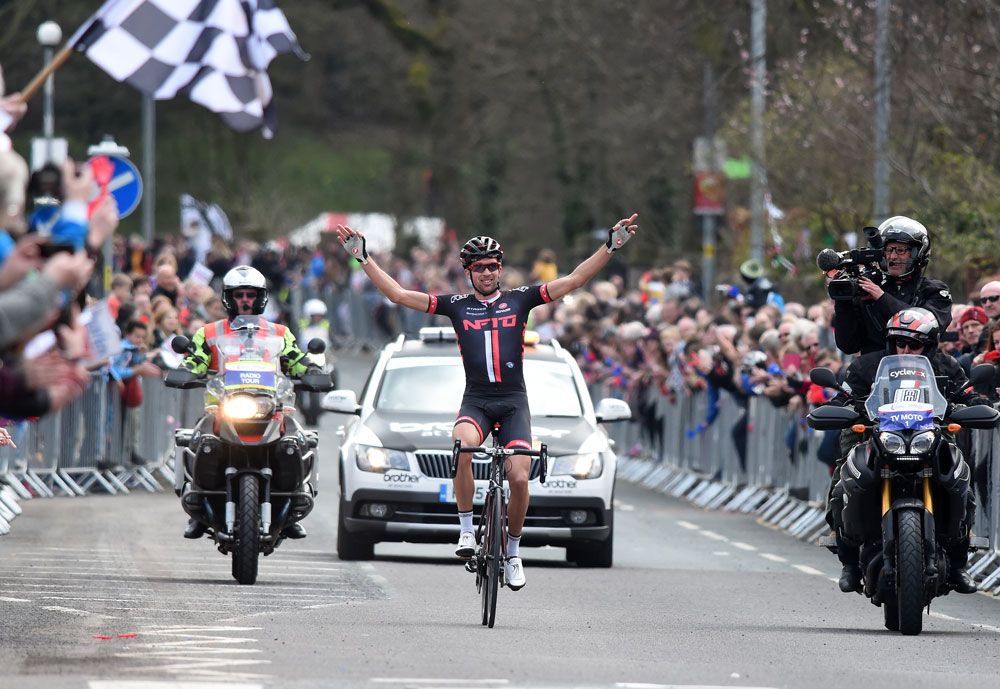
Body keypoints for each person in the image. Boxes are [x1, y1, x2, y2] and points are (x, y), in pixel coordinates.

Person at [334, 214, 639, 590]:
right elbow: (398, 295)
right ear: (468, 272)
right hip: (477, 400)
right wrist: (363, 258)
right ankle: (465, 531)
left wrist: (610, 247)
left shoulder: (521, 299)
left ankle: (512, 551)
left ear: (501, 269)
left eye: (493, 267)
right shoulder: (457, 305)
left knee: (520, 478)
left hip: (513, 403)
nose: (488, 274)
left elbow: (575, 280)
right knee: (462, 446)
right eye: (480, 268)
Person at [827, 307, 985, 594]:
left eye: (916, 344)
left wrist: (971, 406)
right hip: (877, 436)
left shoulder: (946, 365)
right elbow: (843, 397)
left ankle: (960, 564)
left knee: (962, 484)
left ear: (931, 344)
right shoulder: (867, 366)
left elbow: (969, 394)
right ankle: (848, 562)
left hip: (930, 436)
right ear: (890, 342)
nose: (907, 349)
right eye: (901, 342)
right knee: (842, 482)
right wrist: (841, 409)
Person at [179, 265, 322, 540]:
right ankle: (197, 505)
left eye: (251, 295)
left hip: (273, 408)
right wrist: (186, 370)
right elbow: (195, 359)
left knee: (295, 443)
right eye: (239, 295)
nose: (245, 300)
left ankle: (293, 505)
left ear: (262, 298)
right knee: (203, 441)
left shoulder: (280, 333)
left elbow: (295, 358)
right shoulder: (208, 332)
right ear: (228, 298)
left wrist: (312, 370)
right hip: (222, 408)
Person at [832, 216, 952, 355]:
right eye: (888, 250)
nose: (892, 257)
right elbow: (848, 346)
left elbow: (927, 326)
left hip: (921, 368)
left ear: (917, 254)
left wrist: (882, 299)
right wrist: (843, 303)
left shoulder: (936, 291)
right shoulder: (867, 288)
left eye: (901, 250)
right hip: (875, 371)